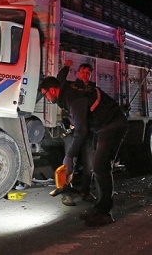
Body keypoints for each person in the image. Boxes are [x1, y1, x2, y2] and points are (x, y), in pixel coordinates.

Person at [39, 75, 128, 226]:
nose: (46, 98)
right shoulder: (70, 93)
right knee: (97, 167)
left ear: (53, 90)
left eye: (45, 94)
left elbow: (81, 131)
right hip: (102, 127)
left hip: (113, 125)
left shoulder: (73, 98)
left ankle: (104, 214)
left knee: (100, 168)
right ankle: (99, 208)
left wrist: (69, 155)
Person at [56, 60, 97, 206]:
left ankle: (85, 192)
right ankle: (66, 194)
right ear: (77, 73)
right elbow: (58, 81)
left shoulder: (93, 89)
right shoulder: (70, 86)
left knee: (89, 164)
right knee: (69, 163)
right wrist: (66, 66)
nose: (86, 74)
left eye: (88, 73)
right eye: (83, 72)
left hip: (88, 133)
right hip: (72, 131)